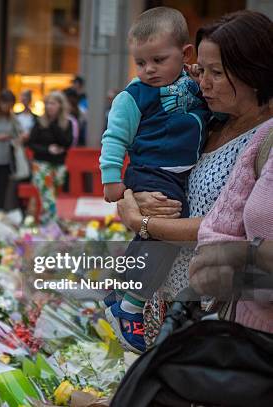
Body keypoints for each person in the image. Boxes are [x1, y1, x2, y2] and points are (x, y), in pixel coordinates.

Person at [116, 10, 272, 349]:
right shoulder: (206, 119)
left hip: (218, 310)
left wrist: (142, 222)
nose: (204, 82)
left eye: (216, 72)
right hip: (168, 298)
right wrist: (135, 196)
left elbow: (230, 228)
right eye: (201, 70)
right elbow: (158, 171)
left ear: (254, 73)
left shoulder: (265, 138)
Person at [99, 7, 211, 353]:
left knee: (153, 233)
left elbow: (216, 114)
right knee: (162, 229)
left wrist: (198, 75)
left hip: (178, 174)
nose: (148, 70)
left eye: (158, 60)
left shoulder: (194, 87)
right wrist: (112, 181)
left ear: (186, 54)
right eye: (141, 62)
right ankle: (130, 304)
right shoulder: (133, 96)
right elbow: (114, 138)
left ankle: (120, 291)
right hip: (152, 171)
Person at [190, 118, 272, 332]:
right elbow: (217, 230)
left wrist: (246, 254)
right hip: (247, 341)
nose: (204, 84)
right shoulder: (267, 136)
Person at [26, 91, 74, 224]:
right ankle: (52, 224)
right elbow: (31, 143)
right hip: (41, 162)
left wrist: (55, 125)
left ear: (60, 105)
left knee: (52, 195)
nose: (49, 106)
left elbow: (67, 142)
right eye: (47, 103)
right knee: (48, 195)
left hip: (59, 163)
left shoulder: (67, 123)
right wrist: (48, 149)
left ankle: (44, 221)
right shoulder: (39, 122)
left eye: (52, 103)